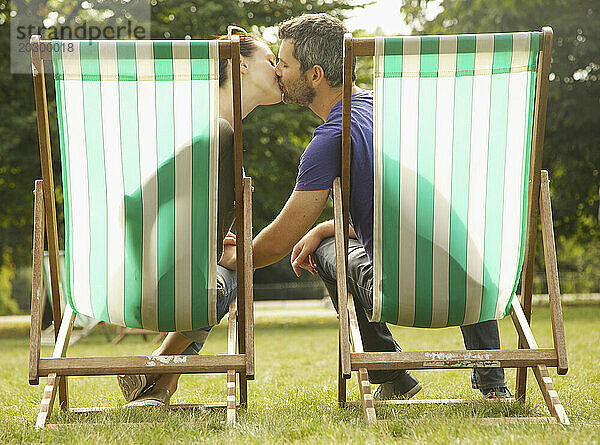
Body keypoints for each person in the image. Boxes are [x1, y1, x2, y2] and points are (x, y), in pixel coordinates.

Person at [220, 13, 511, 400]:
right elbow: (415, 209)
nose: (277, 71)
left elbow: (279, 242)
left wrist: (233, 259)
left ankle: (390, 373)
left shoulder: (330, 141)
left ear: (315, 75)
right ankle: (493, 384)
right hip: (478, 285)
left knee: (325, 251)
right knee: (452, 235)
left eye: (285, 64)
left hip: (399, 291)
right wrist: (328, 225)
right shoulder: (389, 110)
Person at [117, 27, 282, 407]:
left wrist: (206, 249)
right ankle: (160, 368)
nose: (278, 70)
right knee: (234, 269)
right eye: (271, 61)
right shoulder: (214, 132)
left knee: (232, 266)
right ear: (240, 64)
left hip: (177, 279)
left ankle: (160, 385)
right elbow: (136, 204)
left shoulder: (218, 131)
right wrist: (157, 271)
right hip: (169, 284)